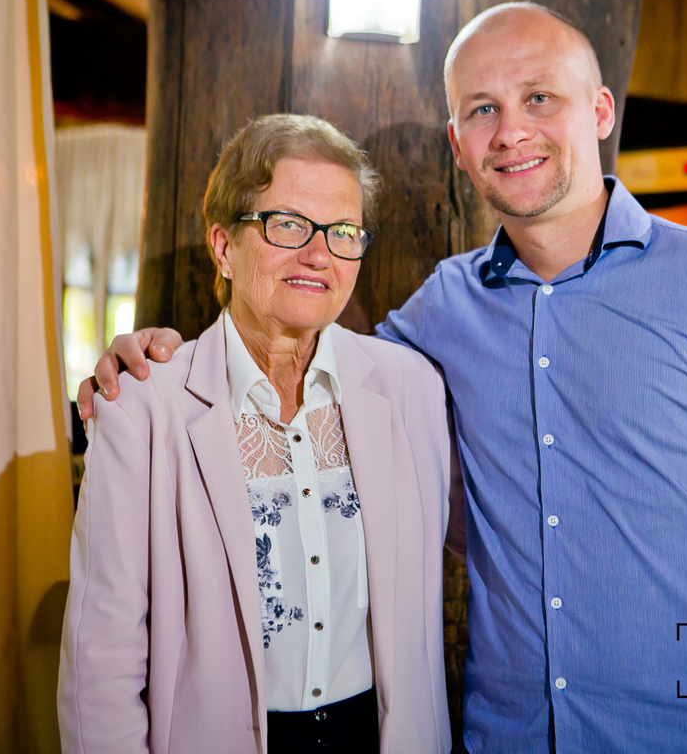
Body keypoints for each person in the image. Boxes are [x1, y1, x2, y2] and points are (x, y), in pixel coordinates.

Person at [83, 4, 687, 754]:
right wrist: (155, 359)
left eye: (539, 97)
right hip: (505, 738)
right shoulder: (440, 312)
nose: (511, 131)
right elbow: (298, 354)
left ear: (600, 111)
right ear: (457, 141)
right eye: (482, 109)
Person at [59, 114, 459, 754]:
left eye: (343, 232)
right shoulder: (143, 411)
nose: (319, 254)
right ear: (223, 246)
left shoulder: (411, 388)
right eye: (289, 224)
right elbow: (99, 665)